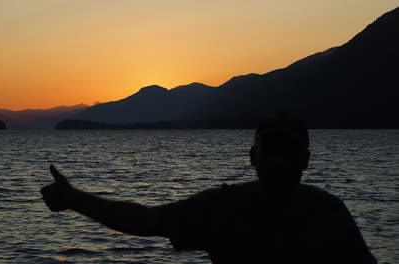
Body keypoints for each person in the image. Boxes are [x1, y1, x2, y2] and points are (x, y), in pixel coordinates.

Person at [41, 114, 376, 263]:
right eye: (269, 150)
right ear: (253, 158)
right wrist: (74, 199)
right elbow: (146, 221)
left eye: (288, 151)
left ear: (304, 160)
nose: (278, 160)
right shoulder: (222, 207)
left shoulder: (329, 213)